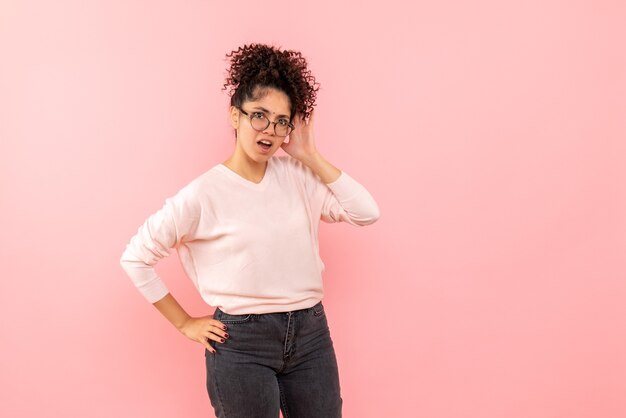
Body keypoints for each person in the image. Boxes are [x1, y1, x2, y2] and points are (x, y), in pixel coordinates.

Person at [119, 43, 380, 418]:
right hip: (241, 342)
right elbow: (136, 258)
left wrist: (309, 155)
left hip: (310, 335)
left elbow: (366, 212)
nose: (270, 130)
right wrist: (185, 323)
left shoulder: (299, 176)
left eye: (281, 121)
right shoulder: (202, 194)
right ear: (234, 116)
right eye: (259, 115)